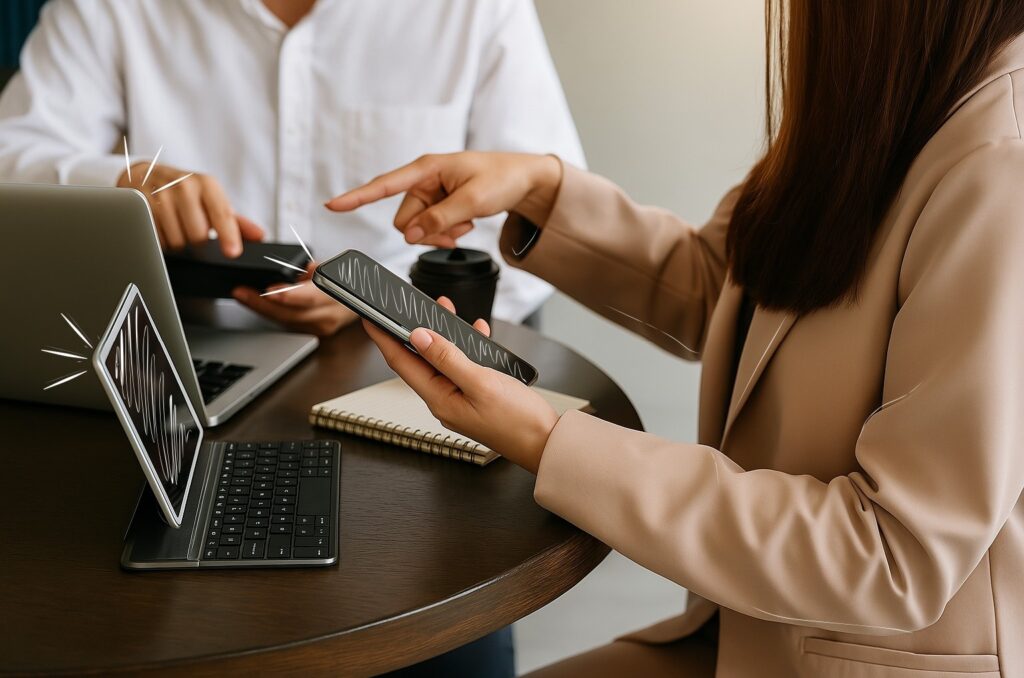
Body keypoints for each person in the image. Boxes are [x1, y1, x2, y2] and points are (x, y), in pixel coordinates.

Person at [328, 1, 1024, 675]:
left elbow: (893, 556)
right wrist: (540, 189)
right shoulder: (890, 86)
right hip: (745, 638)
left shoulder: (1002, 167)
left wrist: (547, 441)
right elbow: (730, 294)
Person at [0, 0, 584, 335]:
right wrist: (116, 186)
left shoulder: (476, 9)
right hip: (176, 364)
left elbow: (542, 229)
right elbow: (11, 162)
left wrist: (380, 302)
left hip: (403, 367)